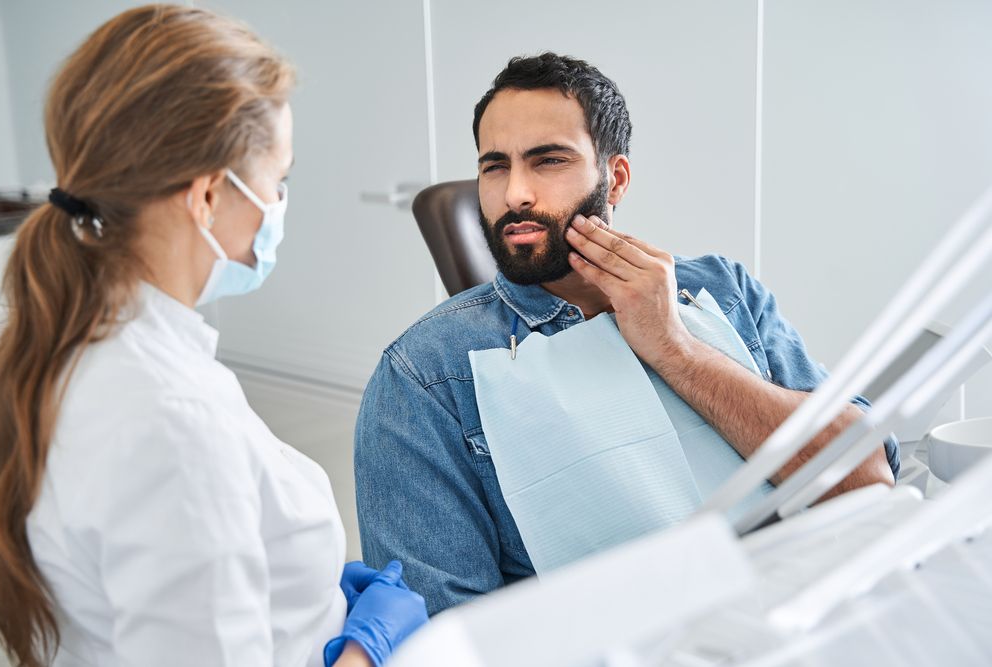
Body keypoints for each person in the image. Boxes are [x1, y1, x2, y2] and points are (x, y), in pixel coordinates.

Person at [355, 52, 900, 615]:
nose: (515, 192)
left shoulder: (724, 291)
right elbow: (441, 634)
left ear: (614, 179)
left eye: (548, 161)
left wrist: (677, 351)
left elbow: (865, 480)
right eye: (495, 166)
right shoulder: (424, 376)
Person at [0, 6, 425, 667]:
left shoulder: (70, 347)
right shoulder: (173, 424)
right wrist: (364, 651)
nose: (279, 204)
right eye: (276, 181)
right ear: (205, 197)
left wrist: (305, 595)